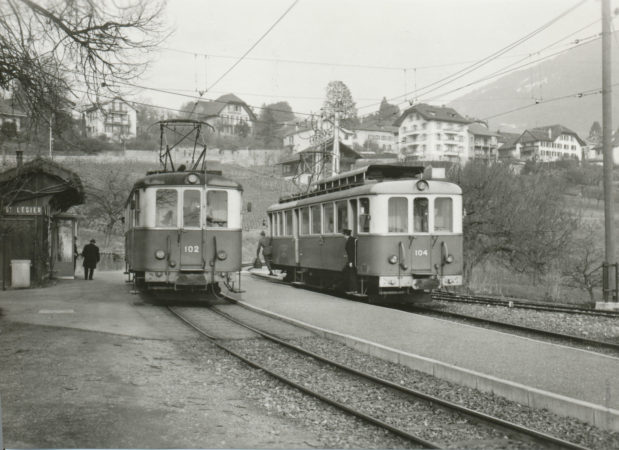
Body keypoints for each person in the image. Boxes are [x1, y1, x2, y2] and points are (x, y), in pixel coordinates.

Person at [343, 229, 358, 293]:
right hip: (353, 260)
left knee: (351, 275)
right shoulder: (353, 239)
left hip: (352, 260)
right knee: (350, 274)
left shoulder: (349, 241)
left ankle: (353, 290)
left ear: (346, 234)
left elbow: (351, 252)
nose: (343, 236)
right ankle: (352, 289)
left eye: (344, 234)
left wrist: (351, 262)